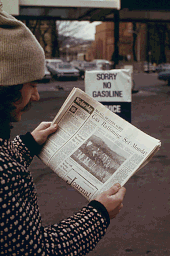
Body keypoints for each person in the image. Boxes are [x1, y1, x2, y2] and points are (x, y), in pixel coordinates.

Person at [0, 2, 126, 255]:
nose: (35, 96)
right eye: (31, 84)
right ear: (8, 86)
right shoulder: (8, 175)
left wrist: (26, 144)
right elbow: (37, 251)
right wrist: (99, 214)